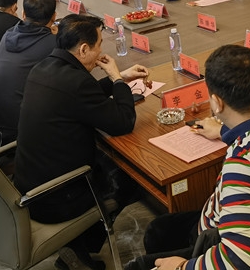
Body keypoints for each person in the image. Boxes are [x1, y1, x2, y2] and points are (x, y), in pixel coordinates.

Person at [128, 45, 250, 270]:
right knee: (160, 229)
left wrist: (181, 267)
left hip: (219, 243)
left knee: (153, 241)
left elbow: (239, 261)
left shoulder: (243, 164)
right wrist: (222, 131)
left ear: (217, 103)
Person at [14, 14, 149, 266]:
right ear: (84, 49)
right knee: (130, 176)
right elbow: (123, 122)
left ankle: (77, 245)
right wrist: (117, 80)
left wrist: (119, 77)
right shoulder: (76, 82)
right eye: (99, 45)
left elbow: (80, 96)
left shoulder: (44, 68)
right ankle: (80, 248)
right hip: (58, 197)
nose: (101, 52)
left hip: (30, 187)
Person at [0, 0, 58, 143]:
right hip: (22, 130)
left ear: (24, 14)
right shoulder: (53, 45)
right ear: (54, 17)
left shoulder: (8, 34)